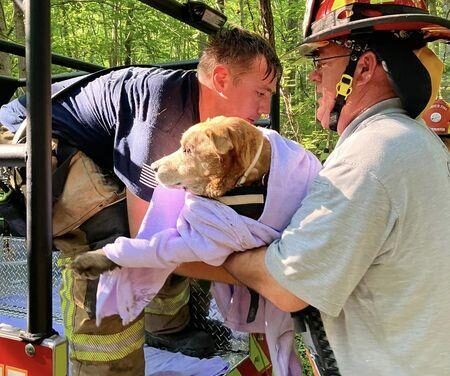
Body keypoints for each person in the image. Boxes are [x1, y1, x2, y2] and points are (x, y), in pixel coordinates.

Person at [175, 2, 450, 375]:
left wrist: (213, 249)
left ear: (363, 67)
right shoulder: (414, 141)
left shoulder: (372, 155)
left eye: (321, 61)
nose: (313, 78)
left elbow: (288, 286)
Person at [0, 26, 281, 376]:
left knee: (183, 211)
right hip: (24, 135)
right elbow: (144, 239)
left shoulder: (202, 120)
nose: (265, 106)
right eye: (260, 92)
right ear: (221, 79)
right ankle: (105, 367)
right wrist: (251, 273)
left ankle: (166, 326)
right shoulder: (163, 114)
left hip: (84, 144)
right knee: (112, 240)